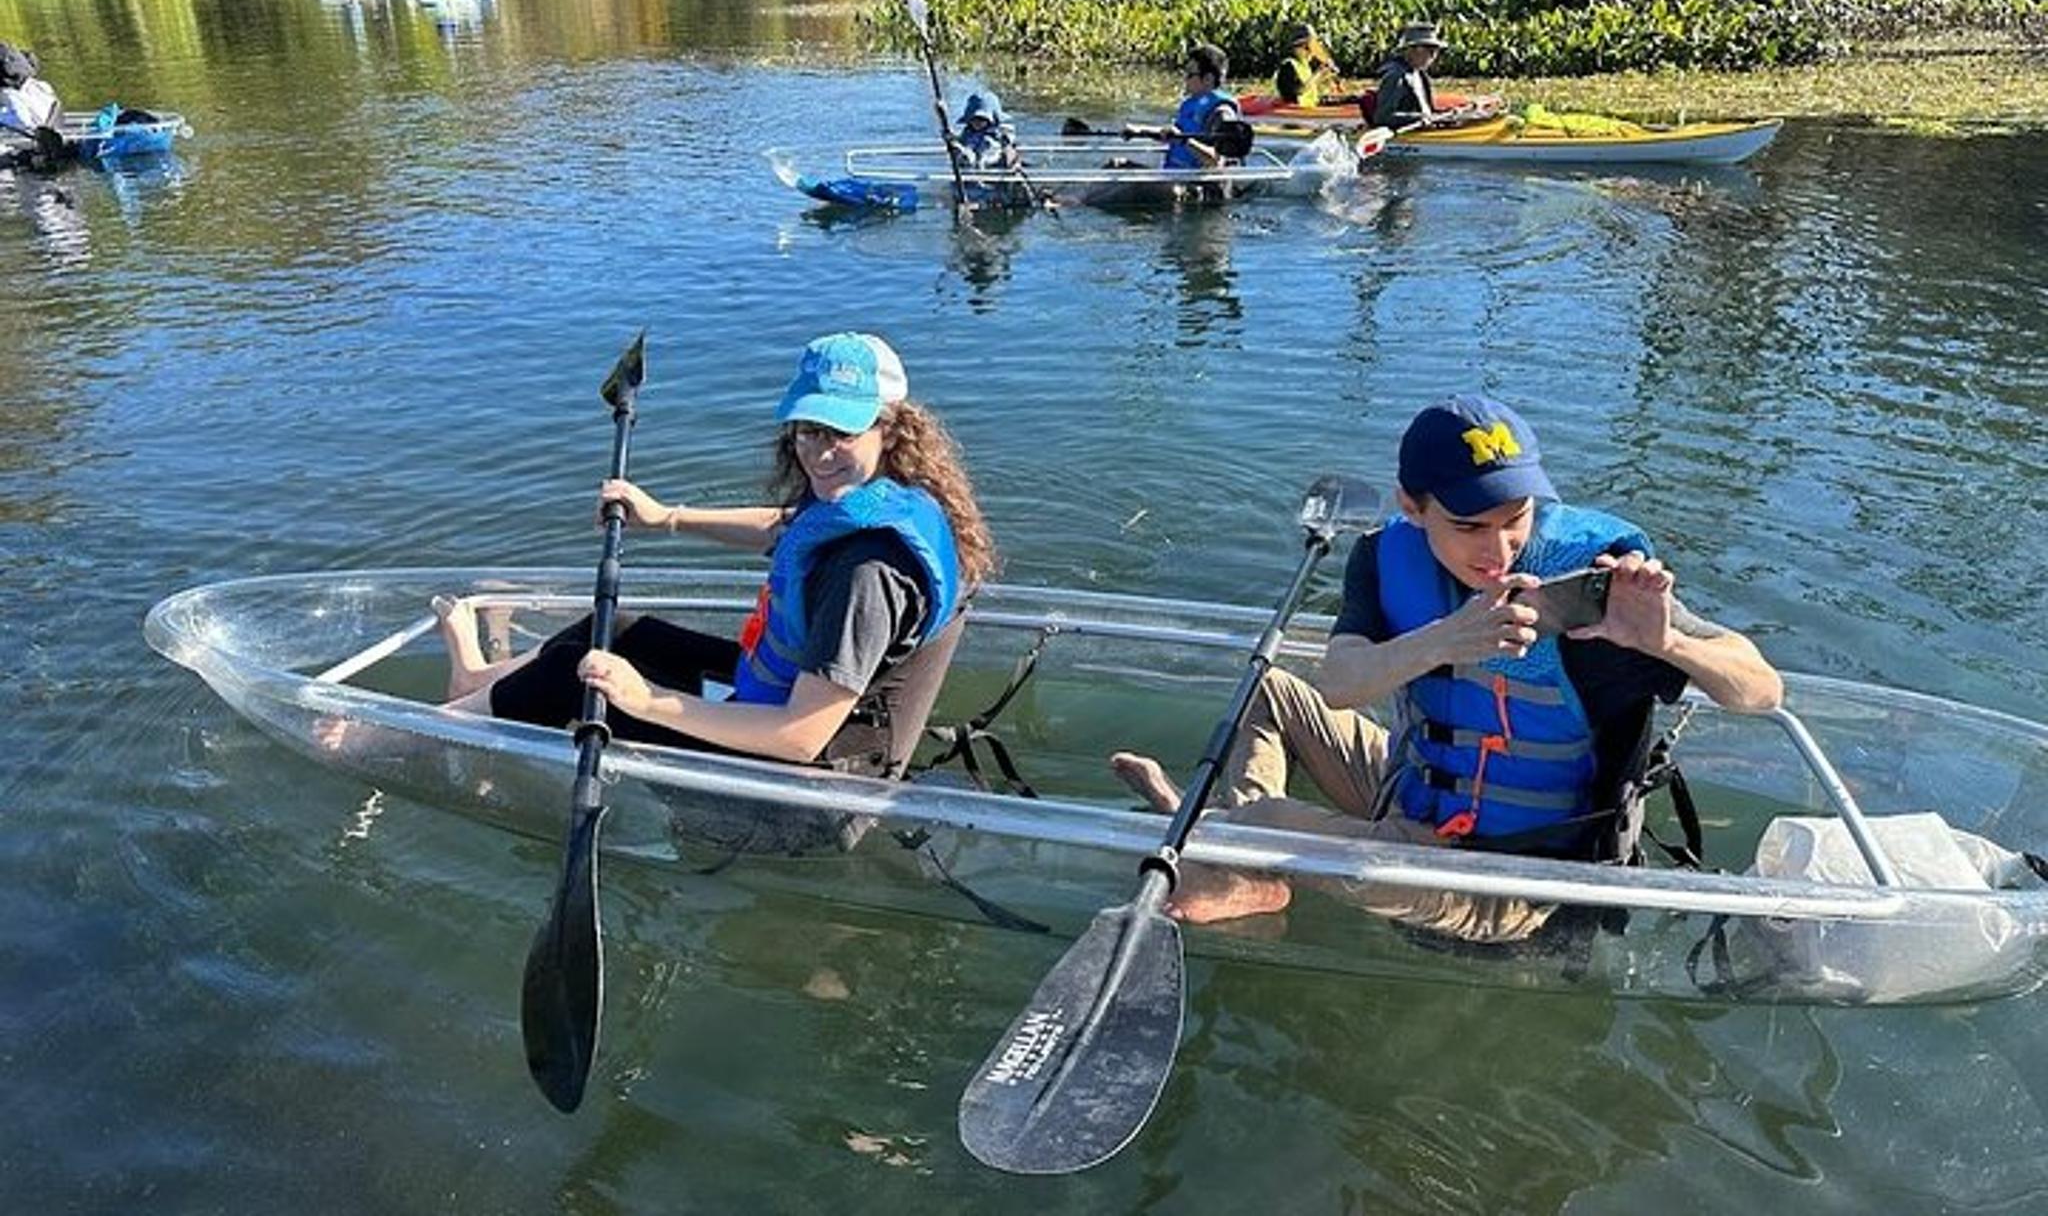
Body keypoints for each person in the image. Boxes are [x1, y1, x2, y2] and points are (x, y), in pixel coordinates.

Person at [1112, 394, 1783, 941]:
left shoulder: (1591, 589)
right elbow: (1339, 683)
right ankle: (1245, 854)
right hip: (1413, 797)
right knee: (1270, 688)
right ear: (1413, 506)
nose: (1499, 548)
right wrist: (1445, 640)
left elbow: (1761, 689)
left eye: (1516, 518)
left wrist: (1668, 645)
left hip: (1508, 883)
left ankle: (1235, 842)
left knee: (1247, 830)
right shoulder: (1384, 559)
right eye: (1469, 526)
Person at [436, 332, 997, 846]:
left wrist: (646, 700)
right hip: (790, 706)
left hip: (807, 796)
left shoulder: (867, 577)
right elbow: (787, 527)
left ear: (889, 427)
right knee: (627, 631)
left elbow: (798, 736)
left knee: (575, 675)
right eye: (808, 429)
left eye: (841, 433)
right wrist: (667, 518)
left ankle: (434, 737)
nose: (818, 451)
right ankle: (478, 688)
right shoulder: (877, 492)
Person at [1123, 43, 1242, 170]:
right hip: (1172, 178)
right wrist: (1140, 131)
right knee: (1117, 165)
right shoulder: (1190, 105)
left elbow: (1215, 161)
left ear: (1208, 78)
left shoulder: (1222, 113)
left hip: (1195, 185)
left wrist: (1184, 141)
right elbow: (1174, 134)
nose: (1185, 79)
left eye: (1190, 74)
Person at [1371, 21, 1445, 126]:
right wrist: (1419, 117)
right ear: (1411, 50)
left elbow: (1428, 112)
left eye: (1435, 51)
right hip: (1407, 138)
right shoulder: (1395, 77)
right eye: (1429, 50)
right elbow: (1382, 117)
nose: (1433, 56)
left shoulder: (1421, 74)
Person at [0, 42, 61, 140]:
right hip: (46, 130)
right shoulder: (43, 86)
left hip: (36, 135)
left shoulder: (10, 95)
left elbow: (24, 122)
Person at [1273, 22, 1337, 107]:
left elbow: (1309, 87)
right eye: (1307, 48)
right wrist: (1318, 74)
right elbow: (1297, 91)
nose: (1311, 53)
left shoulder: (1304, 66)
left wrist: (1325, 76)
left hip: (1310, 107)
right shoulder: (1288, 66)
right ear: (1296, 48)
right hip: (1295, 112)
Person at [953, 91, 1019, 170]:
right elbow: (960, 140)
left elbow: (1009, 139)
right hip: (971, 164)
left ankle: (976, 161)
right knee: (964, 151)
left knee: (989, 146)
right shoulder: (968, 132)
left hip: (994, 163)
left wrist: (1005, 140)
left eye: (982, 119)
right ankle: (968, 160)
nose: (977, 122)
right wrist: (952, 140)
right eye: (973, 119)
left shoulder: (999, 131)